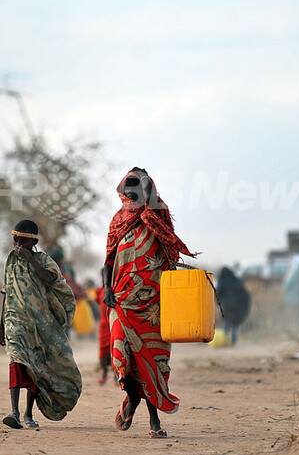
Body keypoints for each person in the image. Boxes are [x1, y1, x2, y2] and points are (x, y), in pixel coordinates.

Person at [102, 167, 197, 439]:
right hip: (121, 301)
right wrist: (107, 288)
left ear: (149, 187)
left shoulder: (158, 216)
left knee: (153, 362)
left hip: (154, 305)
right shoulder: (118, 220)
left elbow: (171, 249)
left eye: (139, 184)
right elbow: (108, 260)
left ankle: (154, 421)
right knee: (123, 357)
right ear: (122, 190)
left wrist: (148, 196)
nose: (133, 189)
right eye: (129, 184)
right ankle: (132, 398)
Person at [0, 219, 82, 430]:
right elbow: (7, 293)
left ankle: (28, 413)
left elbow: (50, 279)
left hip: (39, 324)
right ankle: (14, 412)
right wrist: (1, 326)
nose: (18, 244)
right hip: (14, 320)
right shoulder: (10, 261)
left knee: (35, 366)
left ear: (33, 242)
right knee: (16, 360)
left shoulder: (44, 260)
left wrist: (31, 259)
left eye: (23, 241)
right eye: (15, 240)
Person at [216, 266, 251, 345]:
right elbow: (244, 293)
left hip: (226, 305)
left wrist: (218, 303)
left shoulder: (222, 281)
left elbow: (218, 292)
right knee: (234, 322)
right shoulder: (236, 281)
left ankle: (225, 339)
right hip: (237, 305)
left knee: (226, 320)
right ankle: (233, 339)